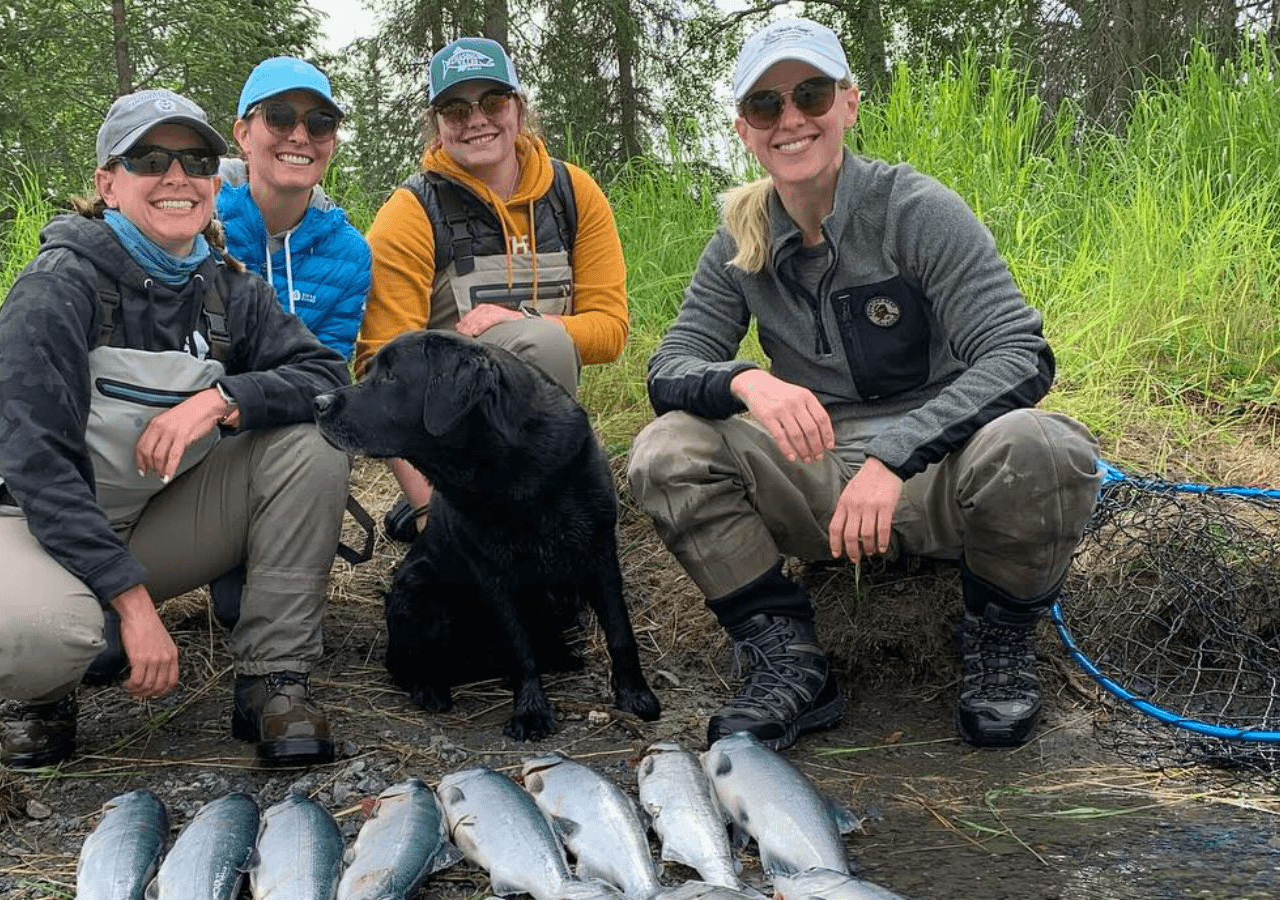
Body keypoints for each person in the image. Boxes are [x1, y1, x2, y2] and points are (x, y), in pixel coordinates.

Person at [626, 19, 1100, 752]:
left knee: (1041, 446)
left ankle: (999, 643)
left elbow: (1018, 354)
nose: (790, 119)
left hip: (943, 475)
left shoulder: (915, 209)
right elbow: (670, 368)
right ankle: (787, 662)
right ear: (744, 130)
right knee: (667, 450)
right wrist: (747, 378)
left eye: (810, 94)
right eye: (765, 105)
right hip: (817, 484)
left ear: (847, 103)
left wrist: (893, 456)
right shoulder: (736, 238)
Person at [0, 87, 351, 769]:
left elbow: (327, 378)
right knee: (29, 639)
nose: (176, 177)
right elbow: (37, 469)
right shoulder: (54, 288)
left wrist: (221, 398)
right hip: (26, 524)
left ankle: (275, 680)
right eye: (149, 158)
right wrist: (133, 607)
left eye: (195, 161)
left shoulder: (228, 288)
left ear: (216, 184)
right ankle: (40, 691)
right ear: (107, 183)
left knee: (310, 443)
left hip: (152, 516)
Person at [358, 36, 630, 543]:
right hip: (447, 437)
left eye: (493, 101)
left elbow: (610, 330)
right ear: (436, 125)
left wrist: (525, 322)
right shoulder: (410, 212)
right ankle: (453, 507)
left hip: (539, 433)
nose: (476, 118)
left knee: (542, 343)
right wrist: (433, 516)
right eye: (455, 108)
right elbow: (380, 368)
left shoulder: (574, 195)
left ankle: (547, 520)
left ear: (519, 109)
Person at [217, 56, 370, 359]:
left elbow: (327, 374)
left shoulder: (348, 254)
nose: (300, 137)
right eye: (279, 117)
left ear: (333, 144)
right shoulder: (197, 218)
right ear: (243, 134)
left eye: (320, 123)